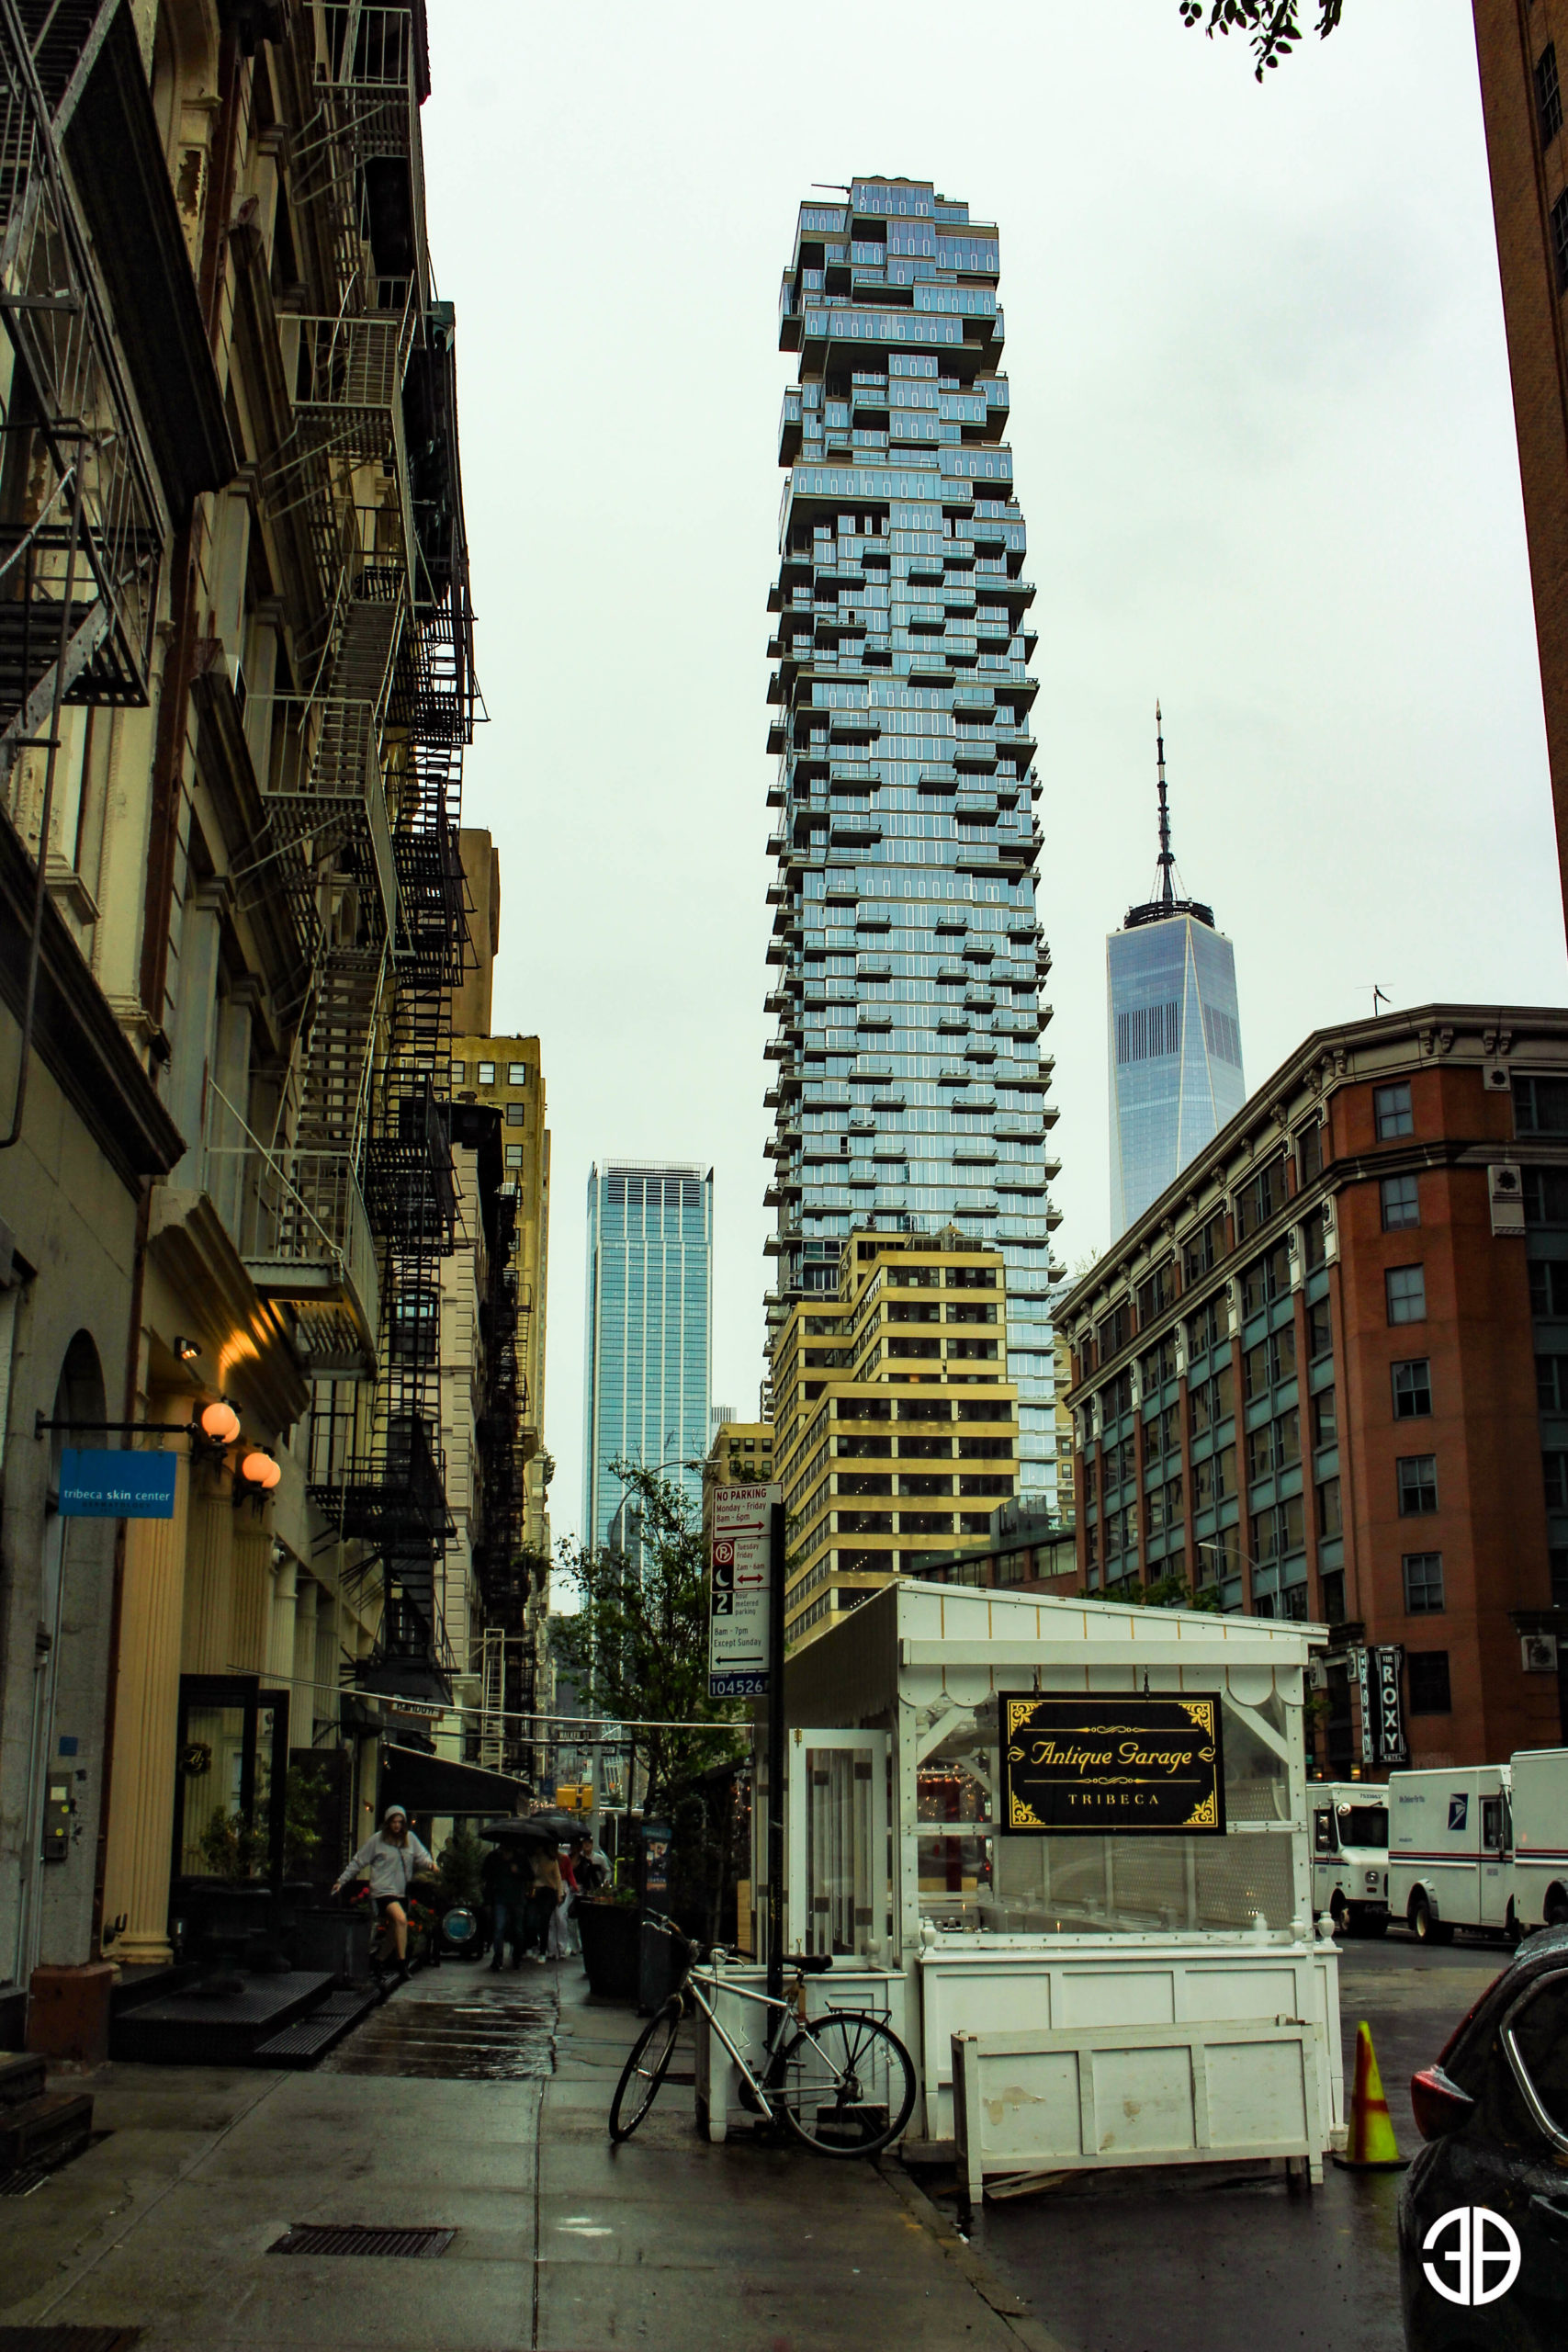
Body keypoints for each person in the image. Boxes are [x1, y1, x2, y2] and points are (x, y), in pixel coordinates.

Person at [333, 1805, 434, 1982]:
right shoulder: (377, 1840)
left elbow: (422, 1856)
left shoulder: (410, 1839)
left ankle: (378, 1961)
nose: (397, 1826)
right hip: (382, 1891)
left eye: (400, 1822)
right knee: (401, 1919)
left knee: (394, 1931)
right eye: (393, 1822)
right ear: (387, 1823)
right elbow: (359, 1860)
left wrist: (431, 1864)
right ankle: (402, 1964)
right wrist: (342, 1880)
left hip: (400, 1891)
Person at [480, 1839, 531, 1972]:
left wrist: (518, 1871)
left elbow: (530, 1875)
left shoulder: (520, 1858)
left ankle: (516, 1957)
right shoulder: (493, 1857)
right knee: (499, 1928)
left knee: (517, 1930)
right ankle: (498, 1958)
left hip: (516, 1898)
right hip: (500, 1898)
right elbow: (485, 1875)